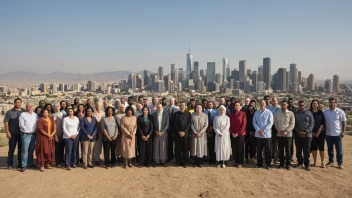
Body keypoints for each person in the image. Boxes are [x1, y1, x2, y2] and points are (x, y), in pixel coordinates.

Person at [324, 98, 347, 169]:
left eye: (333, 102)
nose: (332, 104)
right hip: (328, 134)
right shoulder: (325, 112)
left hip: (337, 134)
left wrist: (343, 132)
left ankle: (340, 163)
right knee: (330, 149)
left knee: (339, 149)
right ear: (329, 103)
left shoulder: (340, 112)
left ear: (336, 103)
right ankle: (331, 161)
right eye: (330, 102)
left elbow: (344, 122)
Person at [4, 98, 25, 170]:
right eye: (16, 102)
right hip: (12, 134)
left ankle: (20, 165)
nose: (17, 104)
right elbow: (6, 122)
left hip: (22, 134)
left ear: (21, 103)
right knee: (11, 149)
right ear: (14, 103)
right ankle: (9, 164)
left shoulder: (24, 111)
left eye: (19, 102)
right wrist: (7, 132)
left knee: (20, 150)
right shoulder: (9, 112)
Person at [294, 101, 314, 171]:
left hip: (307, 135)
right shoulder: (296, 114)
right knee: (298, 150)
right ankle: (300, 163)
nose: (301, 107)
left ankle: (307, 164)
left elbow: (311, 124)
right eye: (300, 105)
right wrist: (298, 131)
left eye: (302, 105)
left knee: (306, 150)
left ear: (304, 105)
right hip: (298, 134)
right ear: (298, 106)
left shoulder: (309, 113)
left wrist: (306, 131)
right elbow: (294, 124)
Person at [274, 100, 295, 170]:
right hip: (279, 134)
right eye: (282, 105)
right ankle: (281, 164)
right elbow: (275, 123)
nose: (283, 106)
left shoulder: (291, 113)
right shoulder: (277, 114)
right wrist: (279, 131)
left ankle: (288, 164)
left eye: (285, 105)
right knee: (281, 150)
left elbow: (292, 124)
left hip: (288, 135)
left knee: (288, 150)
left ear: (287, 105)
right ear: (281, 105)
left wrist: (285, 132)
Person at [253, 99, 274, 170]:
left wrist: (264, 131)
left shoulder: (269, 113)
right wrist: (259, 130)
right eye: (261, 103)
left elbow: (270, 123)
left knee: (267, 150)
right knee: (259, 150)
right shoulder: (256, 113)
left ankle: (268, 164)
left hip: (267, 135)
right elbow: (254, 123)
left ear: (265, 104)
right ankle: (259, 163)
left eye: (263, 103)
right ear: (259, 104)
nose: (262, 104)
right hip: (258, 135)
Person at [19, 103, 38, 172]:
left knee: (31, 150)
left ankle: (30, 163)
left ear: (33, 107)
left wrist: (33, 131)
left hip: (33, 135)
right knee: (24, 151)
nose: (30, 107)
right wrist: (27, 131)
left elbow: (37, 124)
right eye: (29, 106)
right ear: (26, 107)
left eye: (31, 106)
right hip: (26, 134)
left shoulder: (35, 115)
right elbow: (21, 124)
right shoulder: (23, 114)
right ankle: (23, 165)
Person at [173, 101, 191, 168]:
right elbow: (174, 124)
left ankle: (185, 162)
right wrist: (179, 132)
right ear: (179, 106)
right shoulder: (175, 114)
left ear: (185, 106)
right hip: (177, 134)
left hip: (185, 134)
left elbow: (189, 124)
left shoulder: (188, 114)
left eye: (183, 105)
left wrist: (184, 132)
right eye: (180, 106)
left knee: (185, 148)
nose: (182, 107)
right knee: (178, 148)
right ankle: (178, 162)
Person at [229, 101, 247, 168]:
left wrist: (238, 133)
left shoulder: (243, 114)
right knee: (234, 148)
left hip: (241, 134)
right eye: (235, 105)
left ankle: (240, 162)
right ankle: (235, 161)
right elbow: (229, 124)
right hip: (233, 134)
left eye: (238, 105)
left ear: (241, 107)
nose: (237, 107)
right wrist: (232, 133)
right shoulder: (231, 114)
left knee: (240, 148)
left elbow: (244, 124)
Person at [309, 99, 326, 168]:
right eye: (313, 103)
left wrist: (318, 133)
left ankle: (322, 162)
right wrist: (312, 133)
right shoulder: (309, 112)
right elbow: (308, 123)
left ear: (318, 105)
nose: (315, 104)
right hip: (312, 133)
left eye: (316, 103)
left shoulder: (321, 113)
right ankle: (315, 162)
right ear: (311, 105)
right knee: (313, 148)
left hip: (321, 133)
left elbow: (322, 123)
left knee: (321, 148)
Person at [164, 97, 179, 162]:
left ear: (174, 101)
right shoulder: (166, 108)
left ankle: (176, 157)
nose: (171, 102)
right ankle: (169, 157)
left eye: (172, 101)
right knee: (169, 143)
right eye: (170, 101)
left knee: (177, 143)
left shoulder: (177, 108)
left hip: (176, 128)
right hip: (168, 127)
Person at [267, 97, 281, 164]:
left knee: (276, 144)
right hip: (269, 128)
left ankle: (276, 158)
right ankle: (269, 158)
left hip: (277, 128)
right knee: (269, 143)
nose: (274, 102)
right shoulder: (268, 108)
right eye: (273, 101)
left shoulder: (280, 108)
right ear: (271, 102)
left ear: (277, 101)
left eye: (276, 101)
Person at [52, 102, 65, 168]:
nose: (57, 107)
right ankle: (58, 162)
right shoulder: (54, 115)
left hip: (63, 133)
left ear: (60, 107)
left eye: (58, 106)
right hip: (56, 133)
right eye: (56, 106)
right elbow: (54, 126)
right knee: (57, 148)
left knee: (62, 148)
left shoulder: (63, 114)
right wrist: (55, 135)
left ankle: (62, 160)